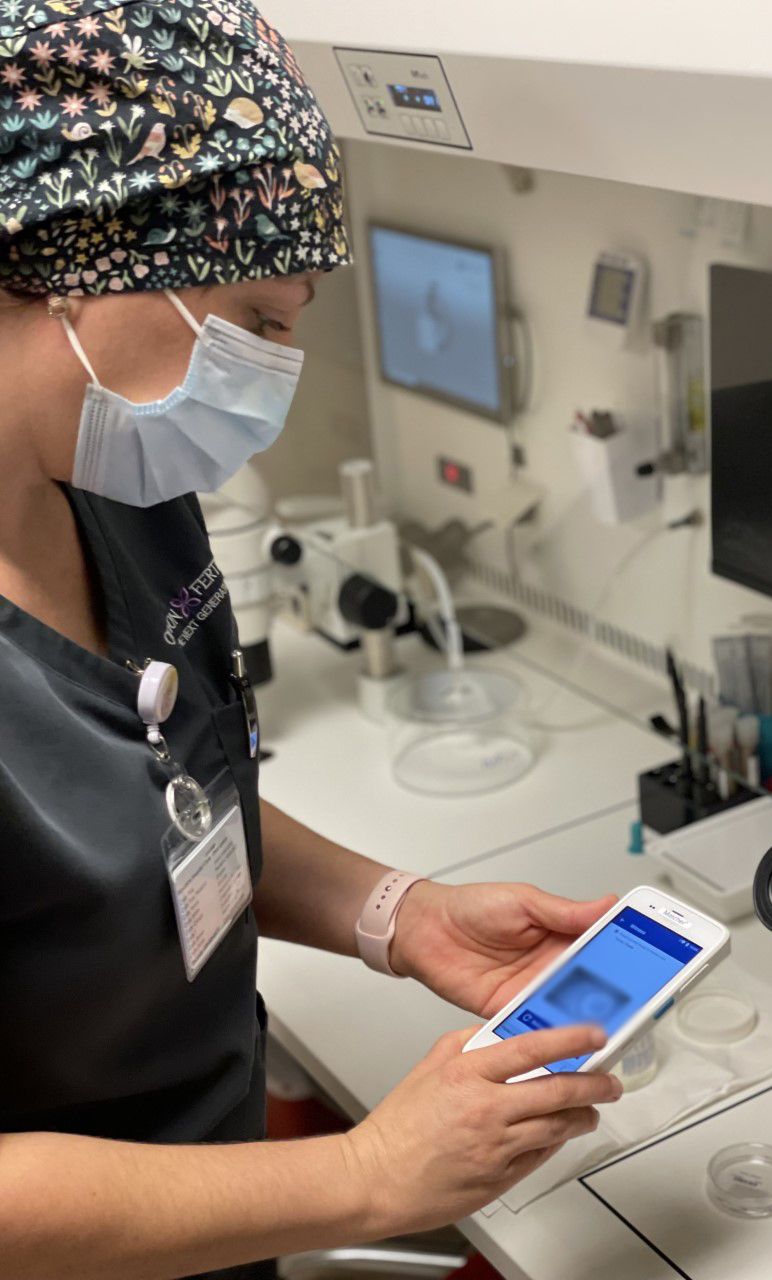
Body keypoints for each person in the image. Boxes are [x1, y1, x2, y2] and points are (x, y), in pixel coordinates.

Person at [0, 3, 622, 1277]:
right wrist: (367, 1173)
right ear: (73, 250)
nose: (274, 371)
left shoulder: (114, 493)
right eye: (259, 318)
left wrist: (400, 914)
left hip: (221, 1206)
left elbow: (160, 801)